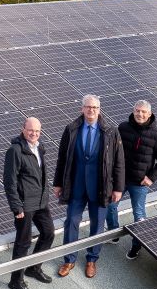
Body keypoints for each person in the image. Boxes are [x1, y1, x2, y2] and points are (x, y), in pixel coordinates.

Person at [53, 95, 125, 278]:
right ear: (82, 109)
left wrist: (118, 188)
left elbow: (119, 162)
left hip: (100, 187)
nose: (91, 110)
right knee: (71, 221)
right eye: (87, 107)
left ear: (99, 110)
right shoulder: (71, 130)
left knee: (98, 224)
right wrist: (58, 183)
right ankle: (69, 259)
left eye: (94, 107)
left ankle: (92, 259)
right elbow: (62, 158)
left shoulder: (110, 132)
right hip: (76, 186)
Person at [107, 100, 157, 260]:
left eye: (143, 112)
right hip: (120, 179)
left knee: (139, 213)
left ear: (149, 114)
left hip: (140, 183)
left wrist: (151, 178)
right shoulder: (123, 128)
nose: (140, 114)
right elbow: (114, 151)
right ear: (133, 111)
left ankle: (136, 246)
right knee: (110, 205)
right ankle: (113, 233)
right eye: (137, 111)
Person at [3, 117, 55, 289]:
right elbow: (10, 182)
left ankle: (34, 268)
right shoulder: (15, 151)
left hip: (40, 202)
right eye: (31, 130)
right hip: (24, 205)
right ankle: (15, 281)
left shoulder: (39, 147)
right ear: (23, 129)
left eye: (37, 131)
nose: (34, 134)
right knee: (23, 243)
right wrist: (17, 207)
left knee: (48, 233)